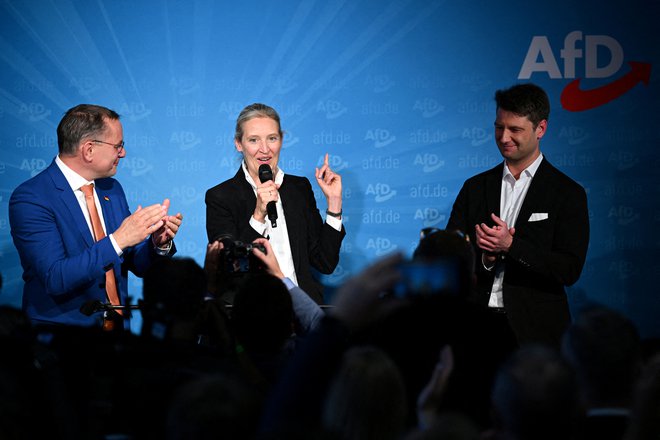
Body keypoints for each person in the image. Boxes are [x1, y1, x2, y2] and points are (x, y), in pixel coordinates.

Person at [9, 104, 183, 329]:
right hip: (61, 341)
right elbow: (56, 277)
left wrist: (157, 243)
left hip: (117, 337)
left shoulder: (111, 189)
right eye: (118, 146)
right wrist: (119, 239)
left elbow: (132, 261)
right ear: (88, 149)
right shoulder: (32, 198)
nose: (123, 153)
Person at [446, 83, 590, 348]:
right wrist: (486, 258)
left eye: (515, 129)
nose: (503, 137)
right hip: (475, 327)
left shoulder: (567, 193)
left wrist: (511, 246)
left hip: (537, 333)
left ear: (541, 129)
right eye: (499, 127)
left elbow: (569, 269)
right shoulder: (475, 188)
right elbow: (450, 256)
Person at [205, 103, 345, 303]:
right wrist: (258, 215)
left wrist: (334, 203)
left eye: (272, 138)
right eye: (254, 140)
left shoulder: (299, 188)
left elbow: (325, 263)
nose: (264, 150)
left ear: (281, 140)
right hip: (250, 314)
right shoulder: (220, 196)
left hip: (301, 310)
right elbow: (230, 267)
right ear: (239, 143)